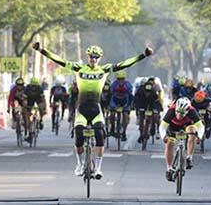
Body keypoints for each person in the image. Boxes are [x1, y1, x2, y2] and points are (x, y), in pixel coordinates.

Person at [33, 42, 152, 179]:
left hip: (96, 108)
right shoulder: (79, 68)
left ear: (99, 58)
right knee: (79, 136)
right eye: (91, 57)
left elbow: (125, 64)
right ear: (87, 56)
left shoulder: (104, 69)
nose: (93, 59)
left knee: (100, 135)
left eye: (96, 57)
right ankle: (79, 164)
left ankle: (98, 168)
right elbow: (59, 60)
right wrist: (41, 50)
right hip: (82, 108)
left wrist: (143, 55)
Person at [160, 97, 204, 182]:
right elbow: (162, 127)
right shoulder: (171, 111)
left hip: (187, 125)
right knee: (169, 143)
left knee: (192, 133)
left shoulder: (192, 111)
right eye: (178, 112)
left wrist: (199, 137)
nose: (179, 115)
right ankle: (169, 168)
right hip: (173, 126)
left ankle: (189, 158)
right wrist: (163, 136)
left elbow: (200, 127)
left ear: (187, 111)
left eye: (182, 113)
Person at [134, 77, 162, 143]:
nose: (147, 94)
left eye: (149, 92)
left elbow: (156, 101)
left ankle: (152, 127)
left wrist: (157, 109)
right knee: (141, 118)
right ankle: (141, 132)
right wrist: (137, 108)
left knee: (154, 116)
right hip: (142, 104)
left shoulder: (154, 92)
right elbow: (137, 100)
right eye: (146, 92)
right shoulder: (140, 91)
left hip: (151, 104)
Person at [108, 71, 133, 141]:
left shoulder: (128, 84)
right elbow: (110, 95)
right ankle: (112, 128)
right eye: (119, 79)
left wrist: (130, 106)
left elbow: (131, 96)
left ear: (125, 78)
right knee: (112, 113)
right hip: (115, 100)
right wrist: (110, 106)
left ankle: (124, 132)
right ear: (117, 79)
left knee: (125, 115)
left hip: (125, 100)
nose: (121, 81)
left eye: (122, 79)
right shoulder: (113, 84)